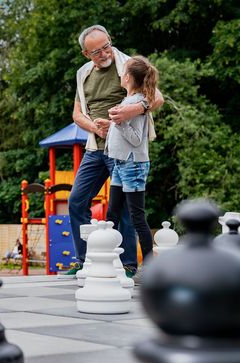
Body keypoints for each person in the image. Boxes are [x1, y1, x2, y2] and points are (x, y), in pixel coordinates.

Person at [67, 25, 164, 278]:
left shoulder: (128, 64)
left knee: (125, 209)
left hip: (123, 152)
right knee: (76, 201)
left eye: (106, 45)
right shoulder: (82, 74)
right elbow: (77, 114)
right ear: (85, 54)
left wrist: (135, 110)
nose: (104, 53)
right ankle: (86, 260)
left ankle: (129, 265)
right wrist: (96, 129)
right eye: (96, 51)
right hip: (96, 147)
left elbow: (157, 98)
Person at [104, 56, 158, 264]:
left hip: (133, 165)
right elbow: (122, 132)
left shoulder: (136, 103)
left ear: (127, 77)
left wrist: (119, 123)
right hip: (120, 163)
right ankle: (107, 262)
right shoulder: (129, 102)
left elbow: (136, 139)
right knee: (112, 213)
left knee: (137, 217)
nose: (120, 74)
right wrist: (109, 125)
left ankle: (151, 268)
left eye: (122, 72)